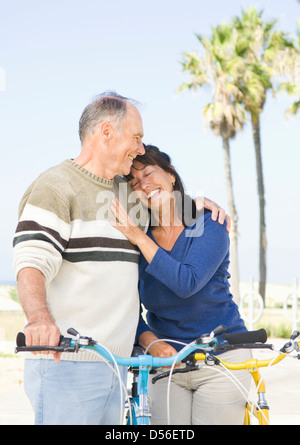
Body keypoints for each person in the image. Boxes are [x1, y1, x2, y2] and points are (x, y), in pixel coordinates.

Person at [13, 93, 227, 425]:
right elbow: (31, 261)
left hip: (118, 367)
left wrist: (199, 201)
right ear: (107, 132)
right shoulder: (55, 187)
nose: (141, 148)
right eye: (136, 137)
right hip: (67, 365)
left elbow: (165, 200)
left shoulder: (127, 195)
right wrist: (39, 319)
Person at [110, 144, 251, 425]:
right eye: (134, 182)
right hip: (166, 363)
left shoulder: (209, 223)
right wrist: (150, 342)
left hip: (222, 357)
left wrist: (139, 238)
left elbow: (187, 282)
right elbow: (126, 306)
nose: (144, 184)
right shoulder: (136, 240)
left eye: (149, 173)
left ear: (171, 174)